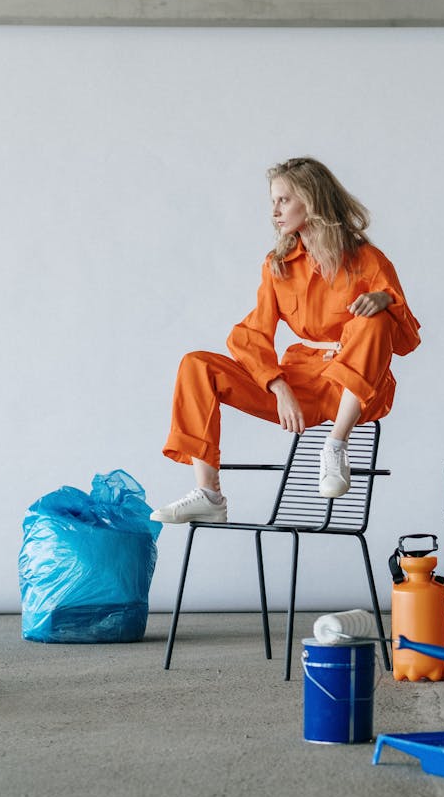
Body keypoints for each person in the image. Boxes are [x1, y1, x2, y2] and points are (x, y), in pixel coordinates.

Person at [153, 157, 421, 523]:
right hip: (300, 383)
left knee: (373, 323)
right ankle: (209, 494)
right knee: (196, 365)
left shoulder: (367, 260)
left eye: (284, 200)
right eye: (273, 201)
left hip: (353, 392)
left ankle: (335, 448)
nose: (275, 212)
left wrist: (386, 300)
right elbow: (251, 333)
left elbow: (404, 342)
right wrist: (279, 387)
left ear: (311, 201)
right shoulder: (277, 265)